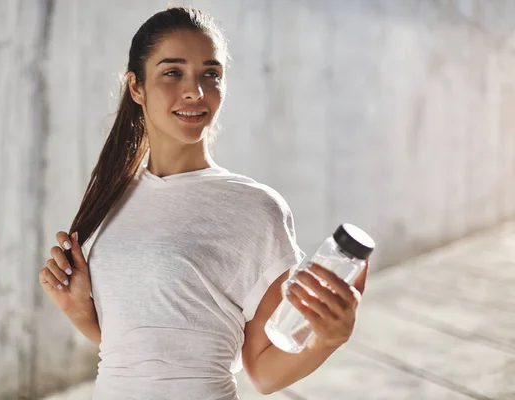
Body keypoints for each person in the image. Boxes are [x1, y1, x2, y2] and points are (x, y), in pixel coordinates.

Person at [38, 6, 367, 400]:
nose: (195, 90)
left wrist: (328, 339)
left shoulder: (254, 208)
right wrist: (78, 310)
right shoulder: (111, 194)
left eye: (210, 74)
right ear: (136, 87)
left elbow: (263, 373)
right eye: (173, 72)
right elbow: (138, 347)